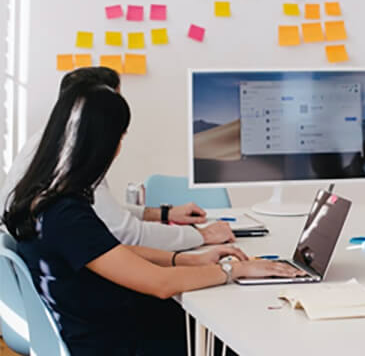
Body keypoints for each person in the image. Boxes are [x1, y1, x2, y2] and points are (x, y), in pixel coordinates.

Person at [4, 83, 303, 356]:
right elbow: (159, 284)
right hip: (110, 342)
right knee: (238, 335)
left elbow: (107, 251)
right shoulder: (65, 213)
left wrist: (187, 260)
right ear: (104, 143)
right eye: (120, 137)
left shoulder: (41, 198)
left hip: (102, 325)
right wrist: (234, 270)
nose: (120, 147)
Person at [0, 67, 234, 250]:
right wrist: (202, 236)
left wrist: (163, 214)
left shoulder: (46, 146)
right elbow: (126, 234)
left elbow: (101, 213)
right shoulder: (72, 160)